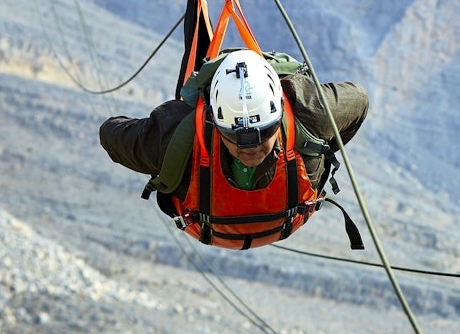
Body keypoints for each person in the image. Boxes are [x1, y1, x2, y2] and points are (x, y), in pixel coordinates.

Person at [100, 48, 368, 250]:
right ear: (214, 122)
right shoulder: (174, 139)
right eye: (235, 136)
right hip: (286, 216)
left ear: (279, 118)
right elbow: (358, 101)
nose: (249, 148)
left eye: (263, 132)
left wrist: (317, 147)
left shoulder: (311, 115)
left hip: (210, 224)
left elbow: (111, 132)